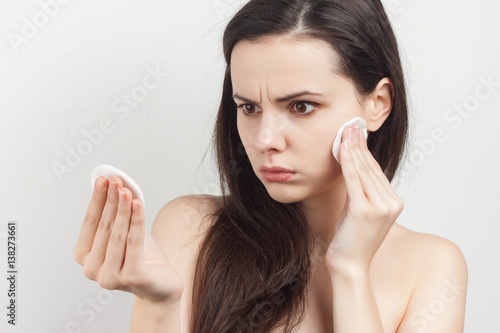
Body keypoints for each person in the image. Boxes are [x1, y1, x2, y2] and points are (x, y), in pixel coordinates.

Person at [74, 0, 468, 332]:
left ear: (377, 104)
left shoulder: (433, 267)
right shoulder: (191, 227)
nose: (264, 141)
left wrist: (350, 269)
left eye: (301, 106)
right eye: (249, 107)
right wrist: (160, 304)